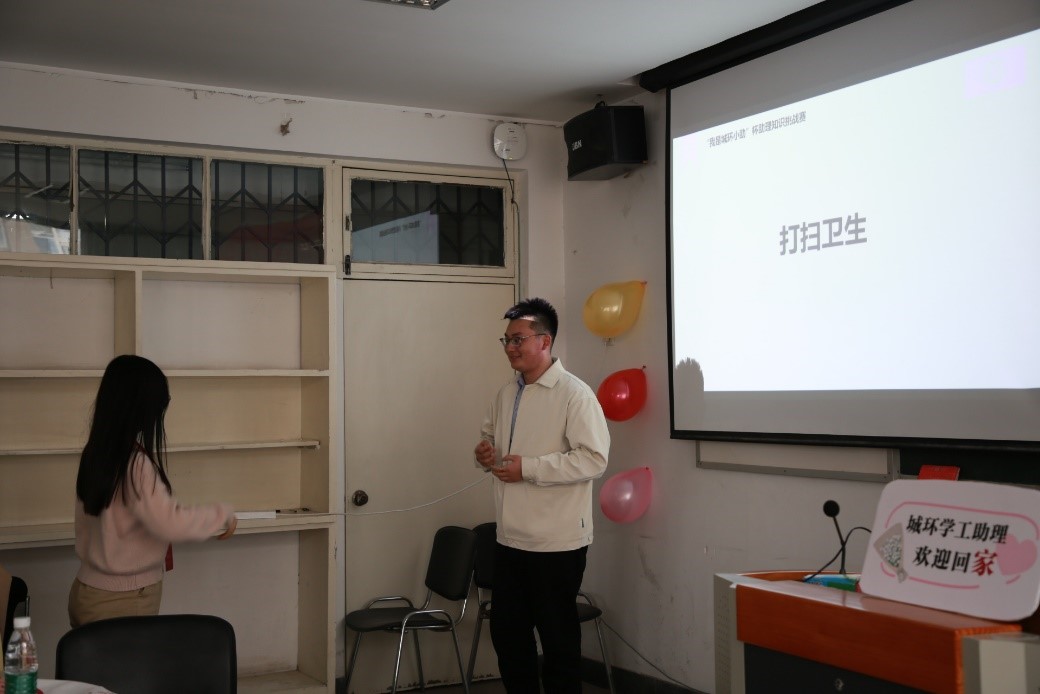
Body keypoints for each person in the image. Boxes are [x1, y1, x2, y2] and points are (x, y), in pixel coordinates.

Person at [474, 297, 610, 693]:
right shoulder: (506, 393)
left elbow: (593, 459)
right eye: (507, 340)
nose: (510, 347)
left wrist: (529, 469)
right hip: (510, 538)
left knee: (558, 642)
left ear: (544, 341)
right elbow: (491, 439)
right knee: (508, 636)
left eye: (518, 339)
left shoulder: (575, 394)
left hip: (556, 542)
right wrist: (484, 454)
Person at [68, 354, 237, 628]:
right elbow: (169, 523)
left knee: (90, 659)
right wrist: (222, 516)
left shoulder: (97, 453)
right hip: (123, 599)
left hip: (87, 591)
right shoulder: (136, 464)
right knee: (129, 659)